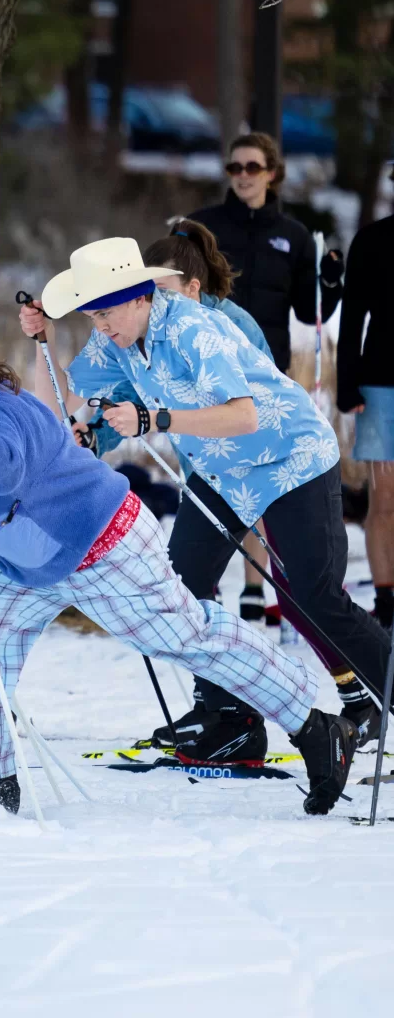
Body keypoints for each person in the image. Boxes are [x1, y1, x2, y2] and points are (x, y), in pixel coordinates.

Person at [0, 320, 355, 816]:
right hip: (32, 561)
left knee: (185, 637)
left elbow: (1, 469)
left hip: (103, 543)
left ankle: (315, 725)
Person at [24, 237, 391, 761]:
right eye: (90, 316)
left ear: (138, 297)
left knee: (314, 595)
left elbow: (245, 415)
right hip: (222, 473)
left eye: (104, 313)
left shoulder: (194, 329)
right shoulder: (117, 339)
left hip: (290, 457)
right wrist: (46, 341)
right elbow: (62, 403)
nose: (99, 326)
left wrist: (156, 420)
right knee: (181, 587)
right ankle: (232, 717)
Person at [85, 220, 273, 626]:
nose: (158, 304)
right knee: (190, 577)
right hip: (201, 469)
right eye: (151, 294)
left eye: (164, 292)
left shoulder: (231, 325)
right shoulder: (148, 335)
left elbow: (261, 404)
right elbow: (131, 395)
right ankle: (213, 660)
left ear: (193, 289)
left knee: (299, 572)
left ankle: (260, 596)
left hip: (255, 464)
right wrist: (96, 434)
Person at [183, 132, 341, 371]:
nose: (243, 175)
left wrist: (329, 282)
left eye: (253, 167)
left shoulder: (295, 236)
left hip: (267, 365)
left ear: (272, 173)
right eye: (235, 167)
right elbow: (172, 289)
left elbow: (310, 312)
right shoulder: (199, 226)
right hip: (208, 360)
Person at [338, 208, 394, 631]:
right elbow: (353, 314)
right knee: (384, 501)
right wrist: (347, 382)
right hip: (380, 386)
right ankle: (387, 601)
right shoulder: (373, 239)